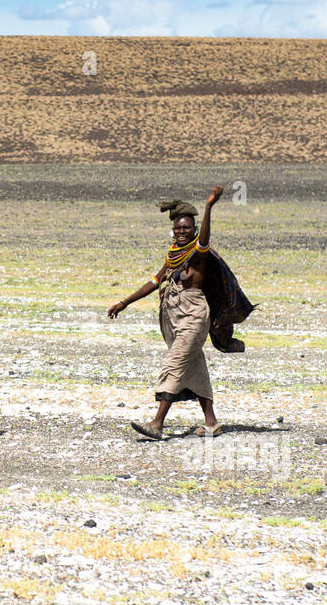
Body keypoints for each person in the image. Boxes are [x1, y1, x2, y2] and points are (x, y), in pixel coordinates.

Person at [107, 186, 256, 440]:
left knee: (174, 364)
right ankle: (211, 422)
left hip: (194, 315)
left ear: (194, 229)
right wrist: (125, 302)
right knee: (194, 367)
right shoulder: (174, 255)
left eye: (187, 228)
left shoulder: (198, 253)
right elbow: (155, 281)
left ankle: (156, 423)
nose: (182, 232)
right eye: (178, 228)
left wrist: (209, 207)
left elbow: (205, 240)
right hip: (174, 317)